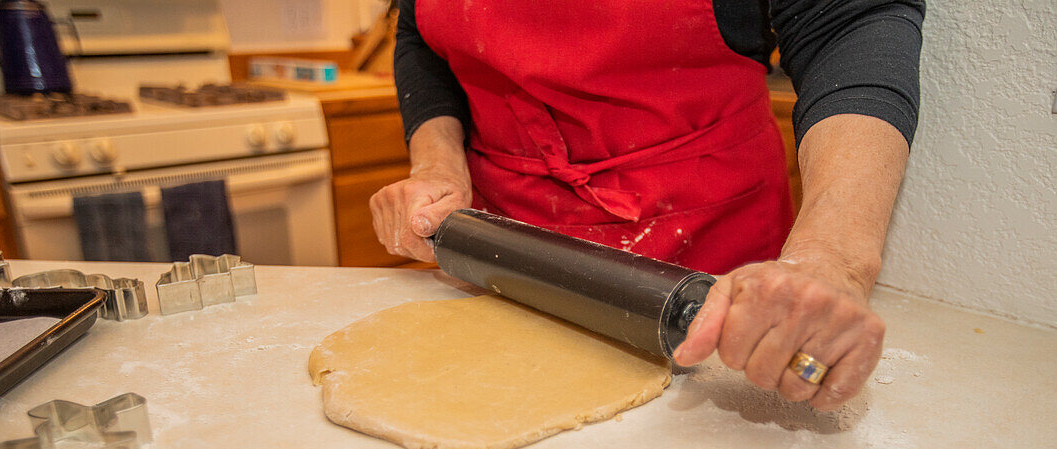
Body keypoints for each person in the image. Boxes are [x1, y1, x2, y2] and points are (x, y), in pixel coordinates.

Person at [370, 1, 925, 411]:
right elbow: (420, 31)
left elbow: (849, 23)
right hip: (511, 256)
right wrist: (437, 166)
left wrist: (832, 259)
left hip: (710, 248)